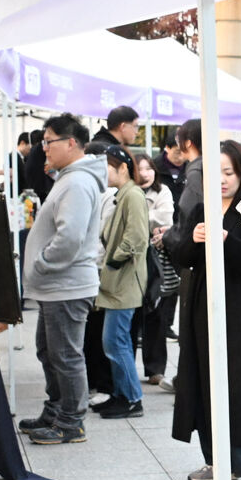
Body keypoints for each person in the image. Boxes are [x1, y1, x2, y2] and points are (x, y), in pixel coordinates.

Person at [168, 140, 241, 480]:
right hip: (202, 309)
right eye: (216, 174)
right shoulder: (203, 209)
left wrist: (226, 241)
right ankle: (215, 458)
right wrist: (194, 240)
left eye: (228, 172)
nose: (223, 181)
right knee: (204, 379)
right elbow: (182, 257)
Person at [21, 115, 109, 444]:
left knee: (66, 355)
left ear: (71, 143)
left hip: (65, 285)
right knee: (49, 351)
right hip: (56, 286)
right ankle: (56, 410)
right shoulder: (69, 178)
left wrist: (41, 264)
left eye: (49, 141)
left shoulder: (77, 182)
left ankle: (71, 421)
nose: (43, 148)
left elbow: (69, 238)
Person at [91, 144, 151, 419]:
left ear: (122, 167)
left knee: (116, 342)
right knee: (114, 341)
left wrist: (116, 258)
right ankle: (122, 394)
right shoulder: (123, 195)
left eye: (107, 166)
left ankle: (131, 398)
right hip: (118, 280)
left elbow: (138, 236)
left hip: (124, 280)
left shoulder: (133, 195)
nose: (103, 173)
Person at [135, 150, 177, 387]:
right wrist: (149, 222)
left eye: (148, 168)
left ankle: (155, 369)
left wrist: (142, 219)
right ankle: (127, 370)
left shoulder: (163, 191)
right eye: (140, 169)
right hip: (134, 260)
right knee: (131, 316)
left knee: (156, 313)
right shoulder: (124, 193)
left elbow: (166, 219)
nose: (145, 173)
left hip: (157, 261)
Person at [173, 119, 205, 213]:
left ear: (188, 143)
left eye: (178, 141)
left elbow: (189, 211)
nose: (178, 146)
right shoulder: (209, 165)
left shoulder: (195, 172)